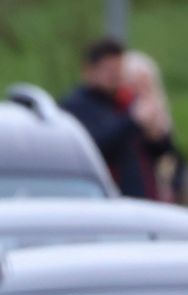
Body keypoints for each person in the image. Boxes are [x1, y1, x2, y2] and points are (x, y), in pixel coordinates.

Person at [61, 37, 169, 199]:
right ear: (89, 71)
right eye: (109, 70)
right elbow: (92, 146)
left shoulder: (128, 100)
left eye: (119, 69)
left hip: (140, 198)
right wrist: (132, 121)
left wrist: (155, 134)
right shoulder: (75, 106)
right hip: (102, 199)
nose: (116, 76)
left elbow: (160, 152)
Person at [122, 50, 186, 203]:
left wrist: (171, 187)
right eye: (135, 85)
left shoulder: (158, 112)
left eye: (147, 84)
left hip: (156, 194)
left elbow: (171, 157)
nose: (142, 91)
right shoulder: (119, 114)